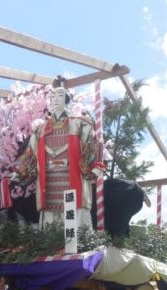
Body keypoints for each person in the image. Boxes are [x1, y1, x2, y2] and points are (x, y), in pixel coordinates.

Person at [19, 76, 105, 230]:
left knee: (75, 224)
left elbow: (92, 145)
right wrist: (21, 172)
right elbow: (31, 153)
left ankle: (78, 245)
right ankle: (52, 246)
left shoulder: (80, 124)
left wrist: (95, 166)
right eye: (52, 96)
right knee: (51, 223)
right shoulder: (40, 130)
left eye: (59, 95)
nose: (55, 99)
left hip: (72, 179)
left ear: (66, 99)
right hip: (49, 182)